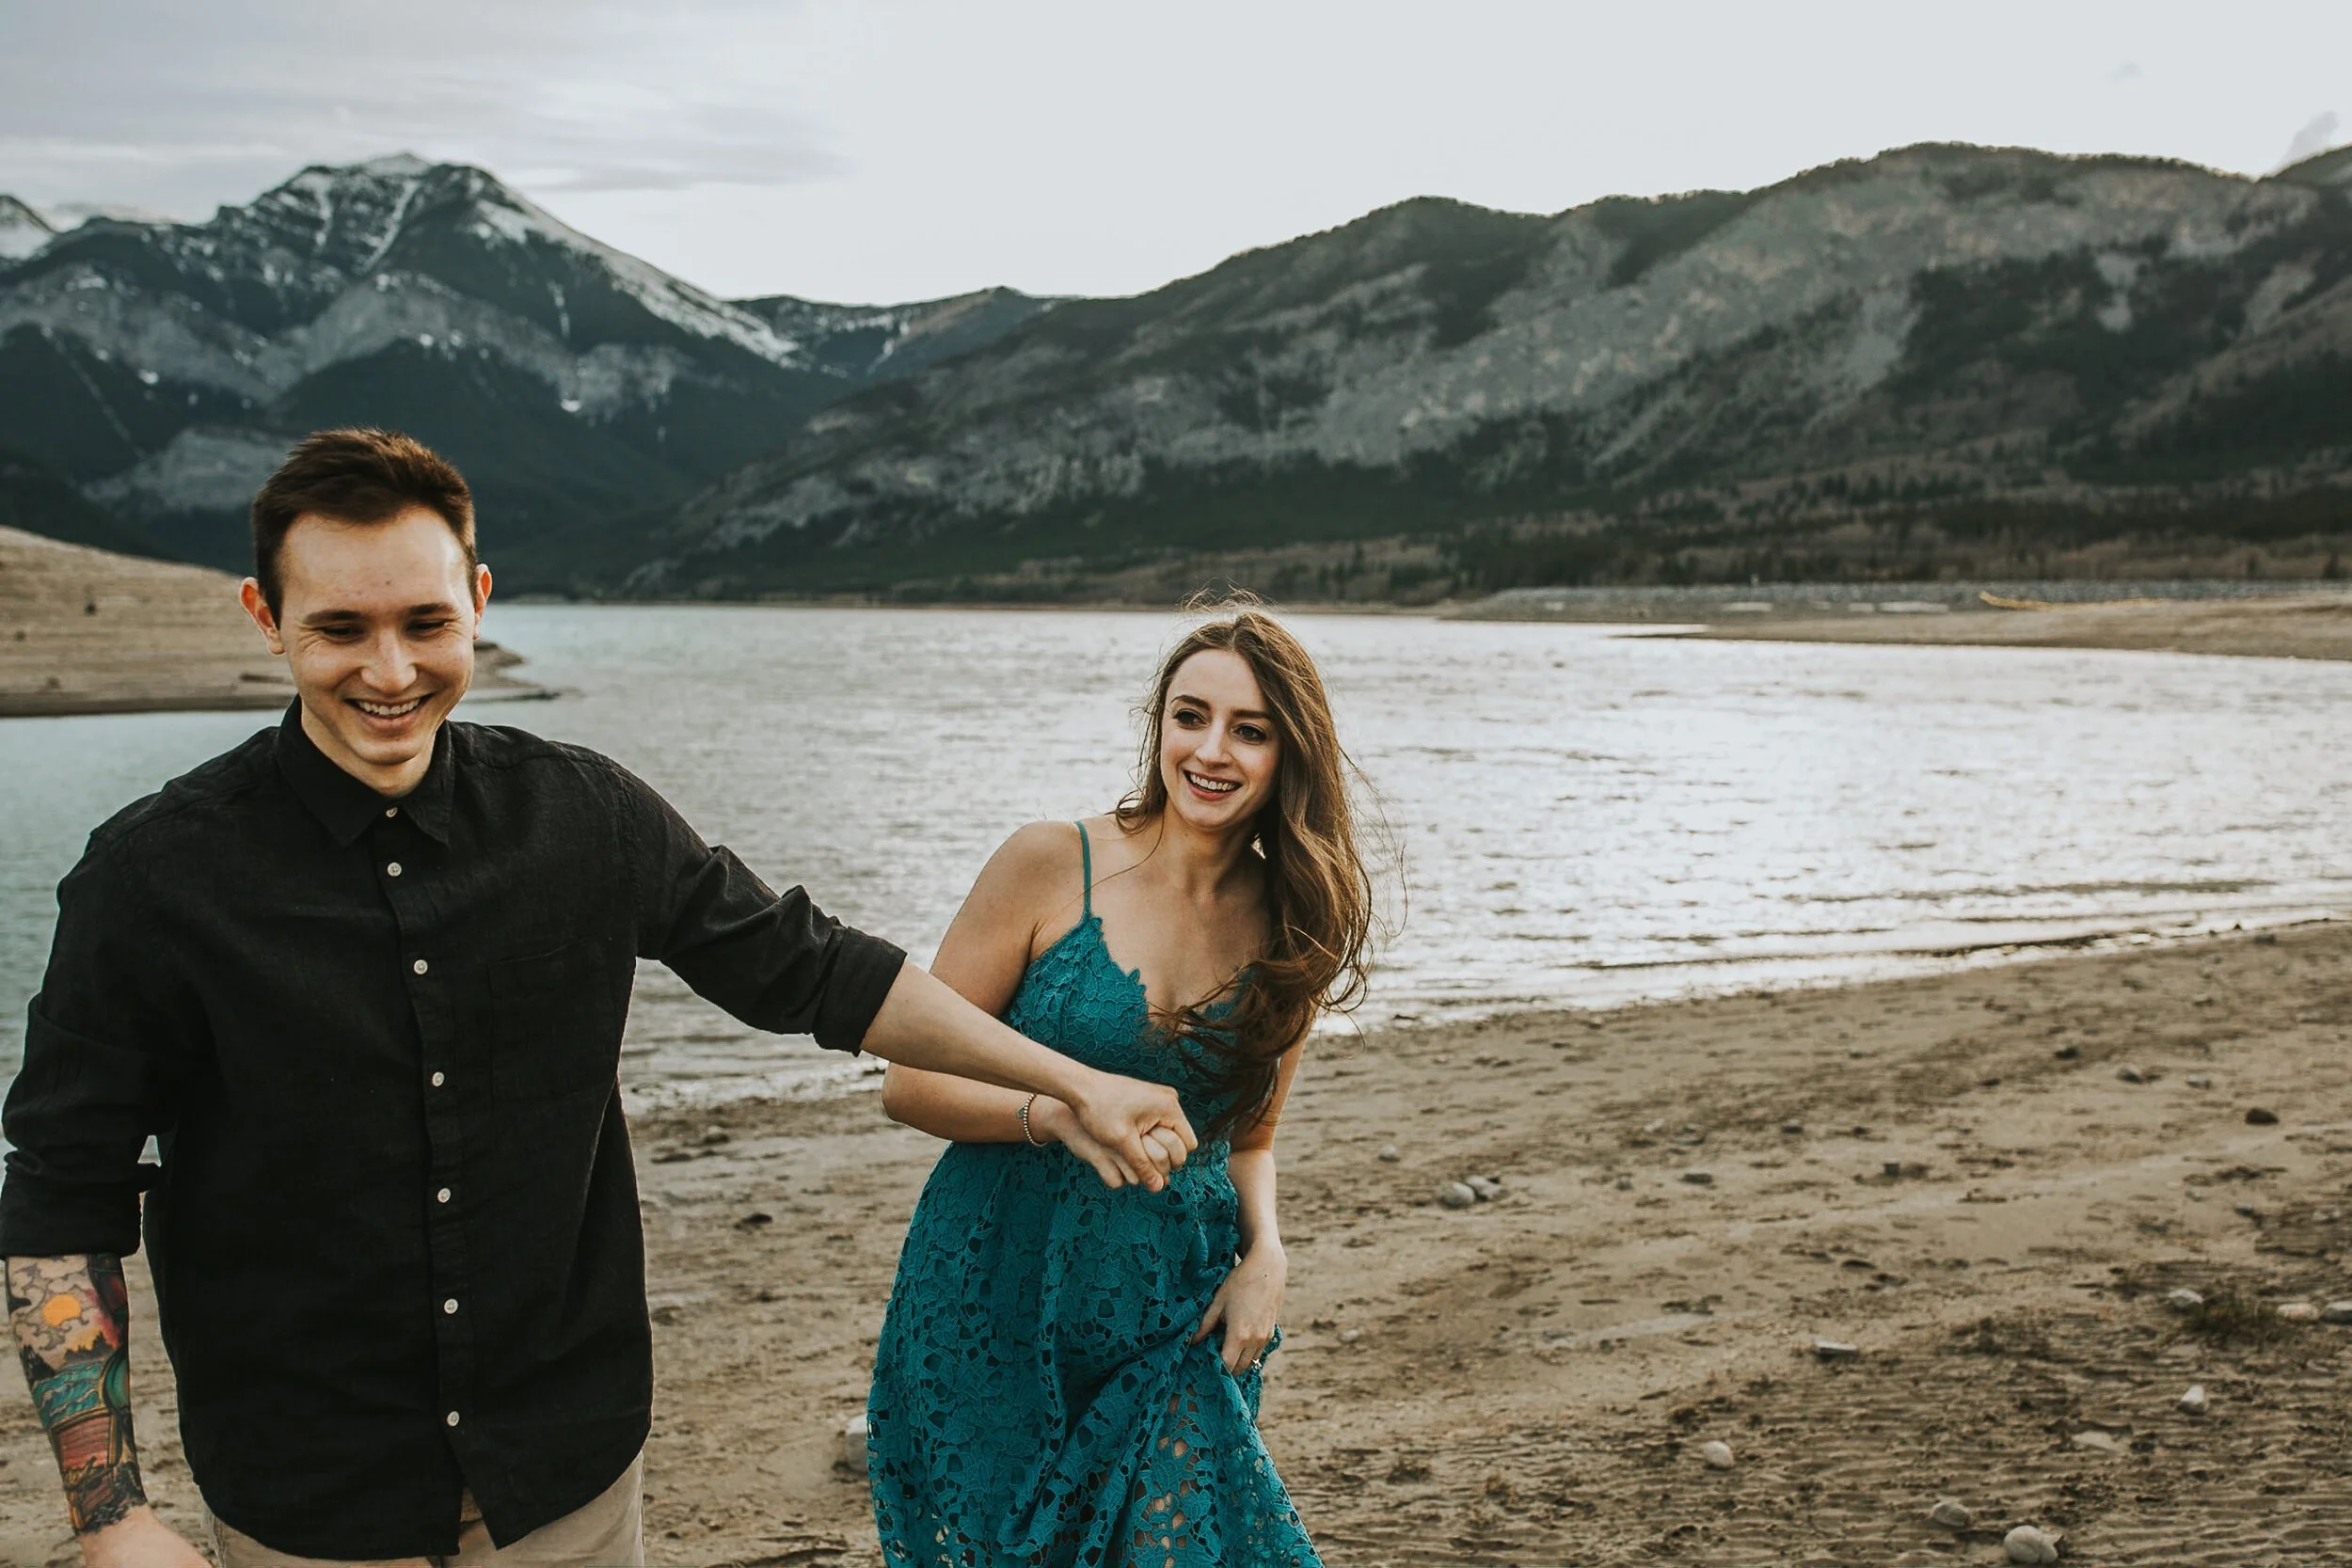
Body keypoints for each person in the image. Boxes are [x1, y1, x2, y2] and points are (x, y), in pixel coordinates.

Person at [0, 428, 1196, 1568]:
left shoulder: (585, 814)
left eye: (426, 622)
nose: (390, 670)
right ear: (266, 619)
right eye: (340, 628)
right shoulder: (153, 877)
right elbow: (61, 1192)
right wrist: (111, 1516)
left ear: (478, 599)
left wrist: (1070, 1081)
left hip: (564, 1468)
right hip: (301, 1491)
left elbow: (813, 968)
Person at [866, 605, 1375, 1567]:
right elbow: (909, 1081)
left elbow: (1251, 1138)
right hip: (993, 1293)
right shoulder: (1047, 864)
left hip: (1173, 1310)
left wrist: (1268, 1252)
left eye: (1249, 729)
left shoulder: (1295, 919)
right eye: (1191, 716)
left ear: (1289, 754)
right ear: (1159, 724)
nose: (1211, 750)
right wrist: (1056, 1113)